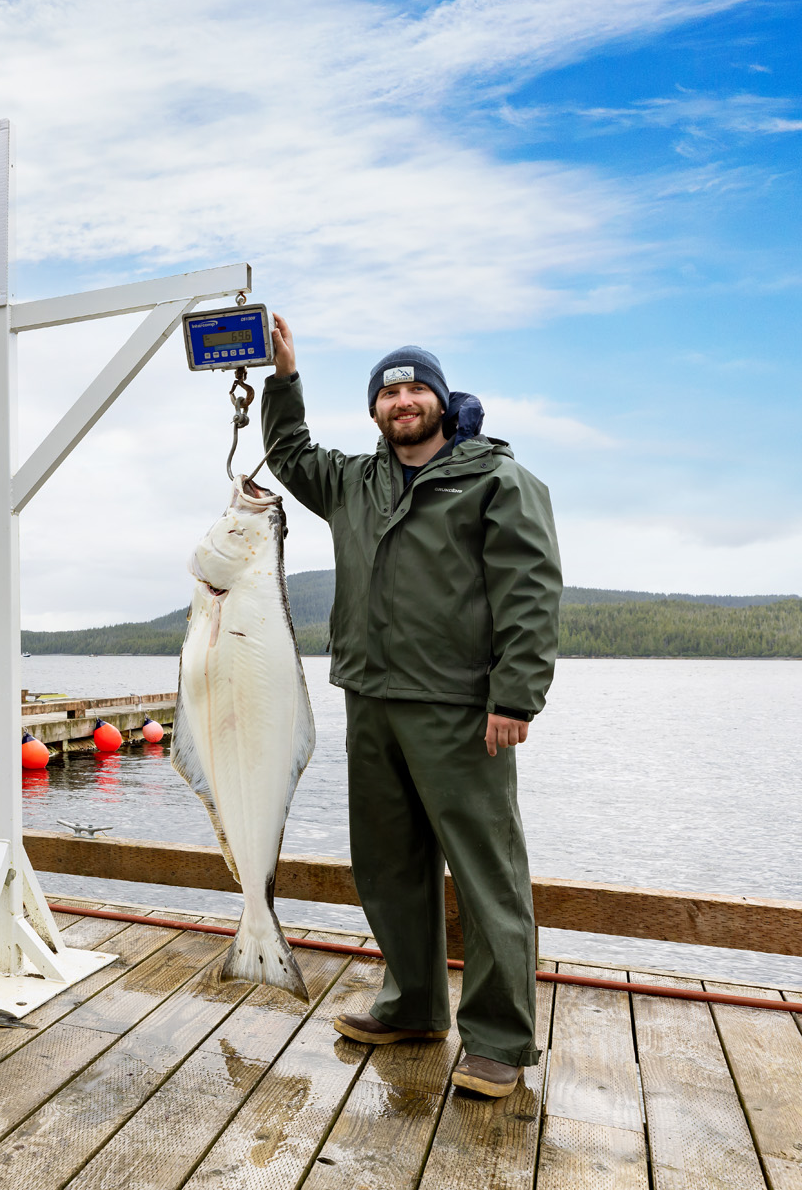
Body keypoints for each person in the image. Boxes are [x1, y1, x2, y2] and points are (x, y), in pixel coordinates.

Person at [259, 315, 561, 1098]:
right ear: (374, 410)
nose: (402, 399)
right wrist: (284, 377)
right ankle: (414, 1003)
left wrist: (516, 693)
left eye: (414, 386)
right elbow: (289, 455)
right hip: (371, 698)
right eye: (388, 390)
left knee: (487, 871)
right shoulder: (355, 482)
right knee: (388, 864)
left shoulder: (498, 478)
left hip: (463, 707)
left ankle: (498, 1038)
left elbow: (529, 590)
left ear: (439, 397)